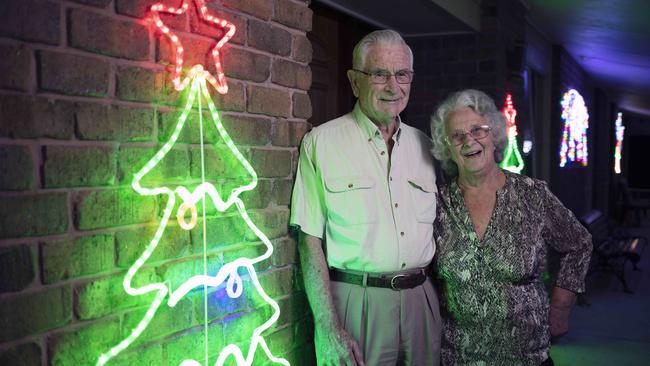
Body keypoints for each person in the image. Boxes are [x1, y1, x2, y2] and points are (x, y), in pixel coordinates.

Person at [290, 30, 442, 365]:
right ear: (355, 81)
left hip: (422, 302)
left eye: (402, 75)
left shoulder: (429, 148)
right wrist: (327, 326)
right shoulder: (321, 143)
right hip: (356, 304)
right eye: (379, 74)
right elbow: (309, 240)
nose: (393, 86)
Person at [429, 89, 592, 366]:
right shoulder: (437, 203)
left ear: (494, 135)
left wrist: (561, 306)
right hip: (458, 356)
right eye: (457, 136)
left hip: (526, 356)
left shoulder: (531, 194)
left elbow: (579, 243)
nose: (469, 141)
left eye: (478, 130)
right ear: (448, 148)